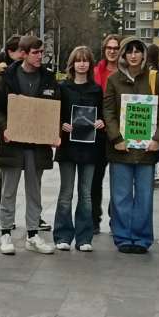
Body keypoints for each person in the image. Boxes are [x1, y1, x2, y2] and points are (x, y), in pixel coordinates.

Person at [0, 35, 60, 255]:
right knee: (8, 189)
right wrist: (5, 129)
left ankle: (33, 233)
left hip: (37, 144)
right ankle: (5, 231)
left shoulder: (48, 78)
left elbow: (55, 109)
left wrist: (54, 132)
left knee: (34, 190)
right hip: (13, 143)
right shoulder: (7, 77)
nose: (40, 56)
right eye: (35, 52)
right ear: (24, 53)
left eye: (42, 52)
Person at [103, 37, 159, 253]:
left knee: (144, 196)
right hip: (121, 149)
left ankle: (141, 238)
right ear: (123, 55)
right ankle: (123, 237)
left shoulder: (154, 79)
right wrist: (116, 138)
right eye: (129, 51)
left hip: (146, 150)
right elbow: (109, 112)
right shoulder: (114, 80)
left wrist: (158, 139)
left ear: (143, 54)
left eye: (137, 51)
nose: (133, 55)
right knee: (121, 196)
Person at [53, 46, 105, 252]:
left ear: (90, 64)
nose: (82, 64)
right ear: (72, 64)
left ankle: (84, 237)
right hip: (67, 146)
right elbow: (56, 114)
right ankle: (62, 234)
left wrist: (101, 123)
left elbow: (102, 114)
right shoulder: (63, 88)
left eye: (85, 60)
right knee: (66, 192)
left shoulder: (96, 89)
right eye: (78, 60)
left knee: (85, 193)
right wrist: (61, 125)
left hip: (90, 148)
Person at [91, 35, 121, 234]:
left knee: (119, 180)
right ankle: (94, 219)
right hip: (99, 132)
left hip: (119, 131)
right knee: (95, 179)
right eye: (109, 48)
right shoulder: (96, 72)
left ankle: (116, 219)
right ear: (104, 50)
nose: (112, 51)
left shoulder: (126, 72)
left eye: (116, 47)